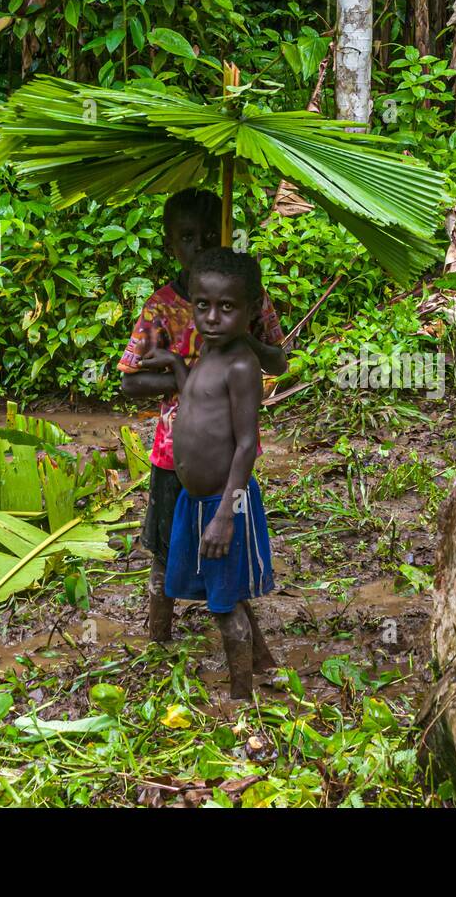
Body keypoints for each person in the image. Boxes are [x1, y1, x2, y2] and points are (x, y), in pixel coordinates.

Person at [118, 190, 288, 642]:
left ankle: (250, 653)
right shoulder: (162, 306)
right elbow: (130, 381)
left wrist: (241, 340)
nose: (200, 245)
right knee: (164, 552)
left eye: (211, 235)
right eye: (187, 237)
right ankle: (159, 641)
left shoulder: (247, 300)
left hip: (225, 457)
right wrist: (189, 376)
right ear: (172, 244)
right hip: (172, 455)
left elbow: (279, 362)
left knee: (225, 550)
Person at [154, 247, 277, 698]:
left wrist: (226, 513)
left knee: (224, 608)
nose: (211, 317)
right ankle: (264, 664)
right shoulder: (209, 349)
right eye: (203, 305)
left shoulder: (242, 364)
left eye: (227, 308)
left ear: (249, 310)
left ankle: (242, 699)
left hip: (225, 500)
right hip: (196, 498)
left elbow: (246, 444)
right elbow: (196, 399)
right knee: (226, 592)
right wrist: (172, 365)